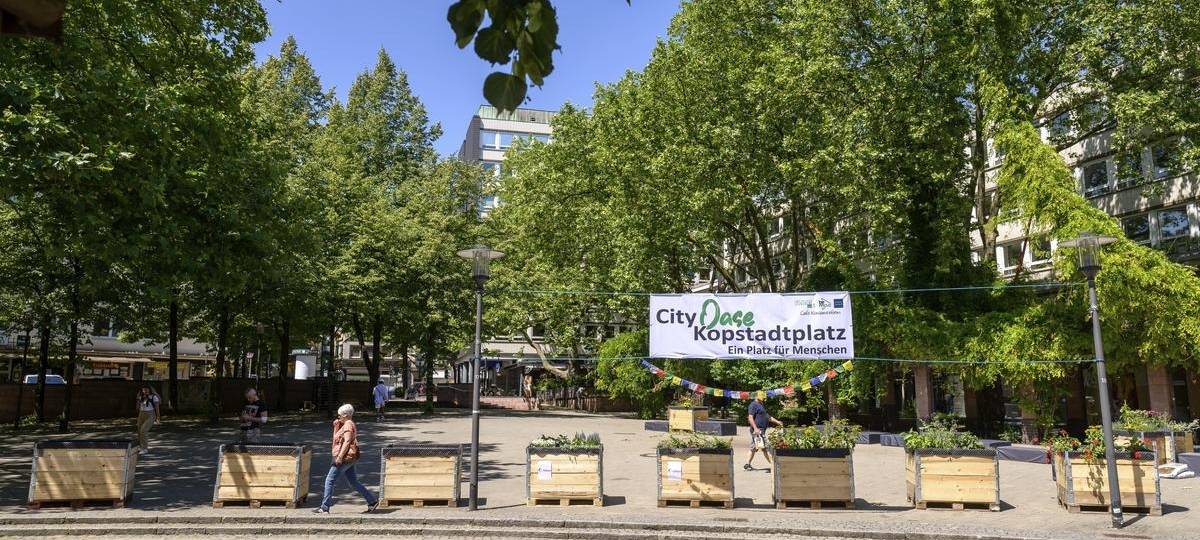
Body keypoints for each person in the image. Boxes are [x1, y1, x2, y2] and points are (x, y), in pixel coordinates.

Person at [314, 404, 378, 513]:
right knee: (353, 481)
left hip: (344, 458)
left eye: (339, 416)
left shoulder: (348, 424)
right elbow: (336, 440)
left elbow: (347, 441)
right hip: (349, 459)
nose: (338, 417)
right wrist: (336, 426)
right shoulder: (345, 424)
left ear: (345, 415)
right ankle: (372, 501)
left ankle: (324, 507)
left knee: (329, 480)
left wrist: (339, 457)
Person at [745, 395, 783, 470]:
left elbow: (768, 417)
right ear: (757, 397)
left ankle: (747, 464)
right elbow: (750, 417)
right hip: (758, 431)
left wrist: (778, 422)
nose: (764, 398)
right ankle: (773, 465)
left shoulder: (761, 405)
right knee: (766, 448)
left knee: (754, 447)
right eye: (762, 396)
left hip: (760, 430)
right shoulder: (753, 405)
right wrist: (755, 429)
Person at [134, 386, 161, 455]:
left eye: (146, 389)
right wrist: (138, 399)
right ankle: (140, 447)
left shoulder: (153, 397)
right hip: (141, 414)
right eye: (143, 389)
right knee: (139, 431)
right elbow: (137, 408)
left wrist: (158, 418)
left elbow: (157, 409)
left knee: (143, 430)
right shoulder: (141, 397)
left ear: (150, 390)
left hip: (150, 414)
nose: (145, 390)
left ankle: (145, 448)